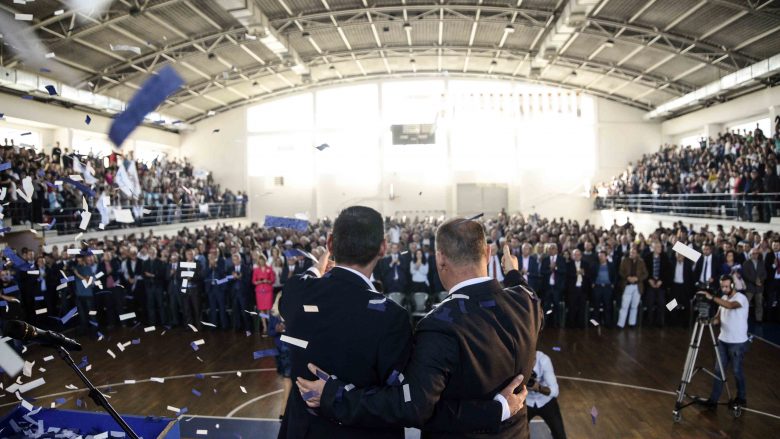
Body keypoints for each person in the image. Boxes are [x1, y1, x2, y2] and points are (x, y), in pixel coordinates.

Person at [297, 218, 542, 438]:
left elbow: (414, 408)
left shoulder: (440, 325)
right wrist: (513, 274)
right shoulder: (527, 301)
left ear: (440, 259)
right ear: (488, 253)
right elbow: (523, 289)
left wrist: (334, 395)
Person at [700, 275, 749, 408]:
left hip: (737, 342)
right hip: (723, 340)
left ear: (733, 285)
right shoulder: (722, 298)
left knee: (737, 371)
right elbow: (718, 318)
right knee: (718, 371)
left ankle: (742, 397)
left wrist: (712, 298)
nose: (724, 288)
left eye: (727, 286)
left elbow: (731, 306)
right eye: (722, 286)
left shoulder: (741, 298)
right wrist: (709, 321)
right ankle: (713, 400)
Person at [526, 350, 567, 439]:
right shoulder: (518, 361)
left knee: (560, 435)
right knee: (515, 434)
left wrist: (539, 388)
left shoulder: (544, 360)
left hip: (546, 401)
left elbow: (555, 391)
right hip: (525, 402)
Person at [269, 291, 292, 419]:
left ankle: (283, 410)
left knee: (288, 380)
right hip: (281, 351)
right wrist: (277, 330)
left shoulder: (293, 314)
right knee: (287, 379)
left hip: (290, 351)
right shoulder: (273, 315)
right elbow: (270, 332)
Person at [617, 246, 648, 328]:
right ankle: (621, 324)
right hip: (627, 285)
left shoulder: (641, 262)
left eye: (634, 253)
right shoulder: (624, 260)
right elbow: (620, 271)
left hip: (637, 286)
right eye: (631, 252)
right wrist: (627, 277)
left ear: (637, 254)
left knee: (634, 306)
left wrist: (637, 278)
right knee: (624, 306)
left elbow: (645, 274)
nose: (632, 254)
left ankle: (632, 323)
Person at [643, 242, 670, 327]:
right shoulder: (647, 257)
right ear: (653, 248)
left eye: (660, 247)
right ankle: (650, 322)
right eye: (658, 247)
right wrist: (649, 280)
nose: (660, 248)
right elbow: (645, 271)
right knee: (650, 302)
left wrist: (661, 281)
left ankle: (660, 322)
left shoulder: (665, 257)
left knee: (662, 303)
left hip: (661, 283)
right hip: (650, 282)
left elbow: (667, 272)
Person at [589, 250, 616, 328]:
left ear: (606, 256)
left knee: (607, 306)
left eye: (602, 256)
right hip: (597, 287)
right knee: (596, 306)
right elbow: (590, 275)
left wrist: (613, 284)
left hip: (607, 287)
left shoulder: (611, 265)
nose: (600, 257)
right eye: (599, 256)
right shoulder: (594, 265)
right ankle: (595, 323)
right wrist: (592, 284)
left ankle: (607, 323)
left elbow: (615, 275)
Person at [742, 247, 767, 323]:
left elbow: (765, 274)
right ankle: (743, 319)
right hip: (749, 287)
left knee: (759, 304)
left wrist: (760, 280)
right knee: (746, 305)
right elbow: (745, 275)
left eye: (756, 253)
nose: (755, 255)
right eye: (753, 253)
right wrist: (755, 281)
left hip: (759, 287)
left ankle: (759, 319)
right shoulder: (746, 263)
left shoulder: (761, 263)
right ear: (750, 254)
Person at [253, 254, 275, 335]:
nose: (261, 262)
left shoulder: (270, 268)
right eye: (260, 260)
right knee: (262, 309)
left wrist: (267, 281)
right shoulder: (256, 270)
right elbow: (253, 281)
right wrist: (258, 282)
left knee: (269, 309)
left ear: (265, 260)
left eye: (262, 260)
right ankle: (264, 326)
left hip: (268, 291)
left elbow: (272, 280)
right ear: (258, 261)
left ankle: (270, 325)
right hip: (259, 291)